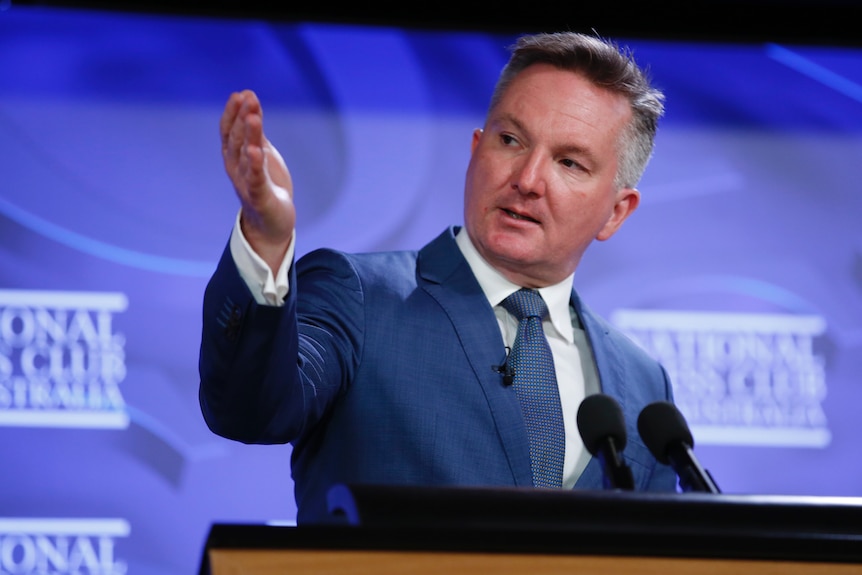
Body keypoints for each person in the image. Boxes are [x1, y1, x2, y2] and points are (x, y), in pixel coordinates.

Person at [199, 31, 678, 524]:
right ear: (476, 149)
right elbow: (249, 407)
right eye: (510, 140)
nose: (528, 180)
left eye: (569, 162)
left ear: (616, 212)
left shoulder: (642, 383)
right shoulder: (360, 298)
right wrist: (266, 241)